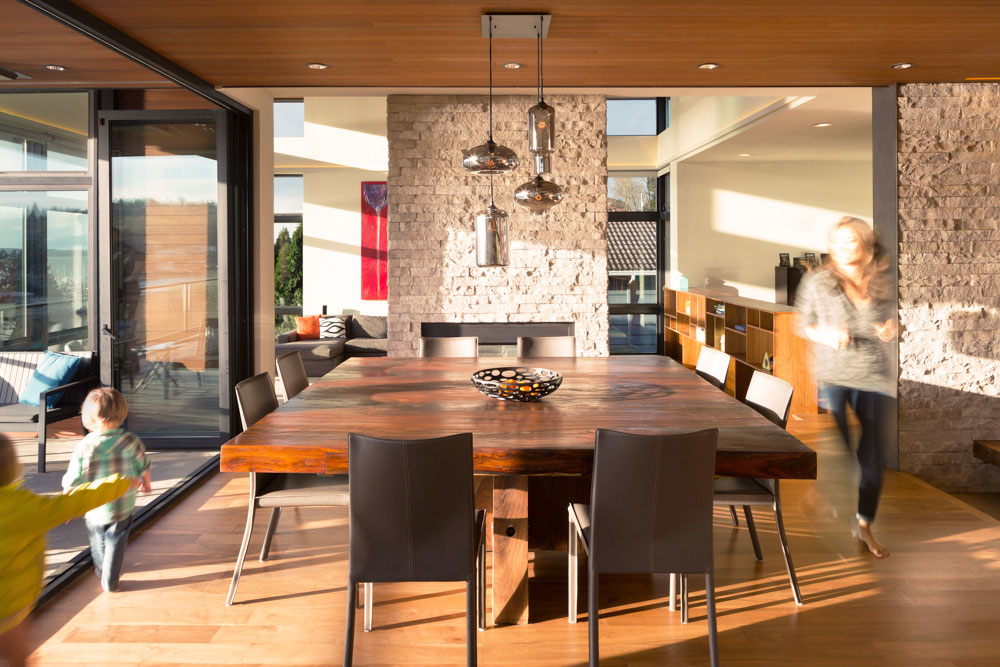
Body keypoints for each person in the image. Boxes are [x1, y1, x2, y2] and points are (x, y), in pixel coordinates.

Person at [796, 216, 896, 558]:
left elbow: (894, 316)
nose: (840, 249)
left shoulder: (883, 279)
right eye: (835, 242)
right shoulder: (818, 282)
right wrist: (824, 334)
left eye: (849, 241)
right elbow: (802, 323)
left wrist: (891, 328)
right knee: (848, 452)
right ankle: (828, 498)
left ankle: (864, 523)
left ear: (865, 244)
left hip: (873, 375)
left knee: (872, 459)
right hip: (835, 376)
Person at [0, 434, 131, 667]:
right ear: (13, 470)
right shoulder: (25, 507)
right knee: (17, 659)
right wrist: (117, 483)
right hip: (9, 609)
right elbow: (75, 502)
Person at [62, 387, 152, 592]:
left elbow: (73, 478)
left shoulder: (85, 446)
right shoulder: (130, 441)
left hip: (94, 505)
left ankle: (103, 571)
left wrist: (66, 504)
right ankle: (110, 578)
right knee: (116, 541)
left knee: (97, 541)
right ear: (122, 412)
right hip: (122, 503)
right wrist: (146, 483)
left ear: (89, 417)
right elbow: (143, 465)